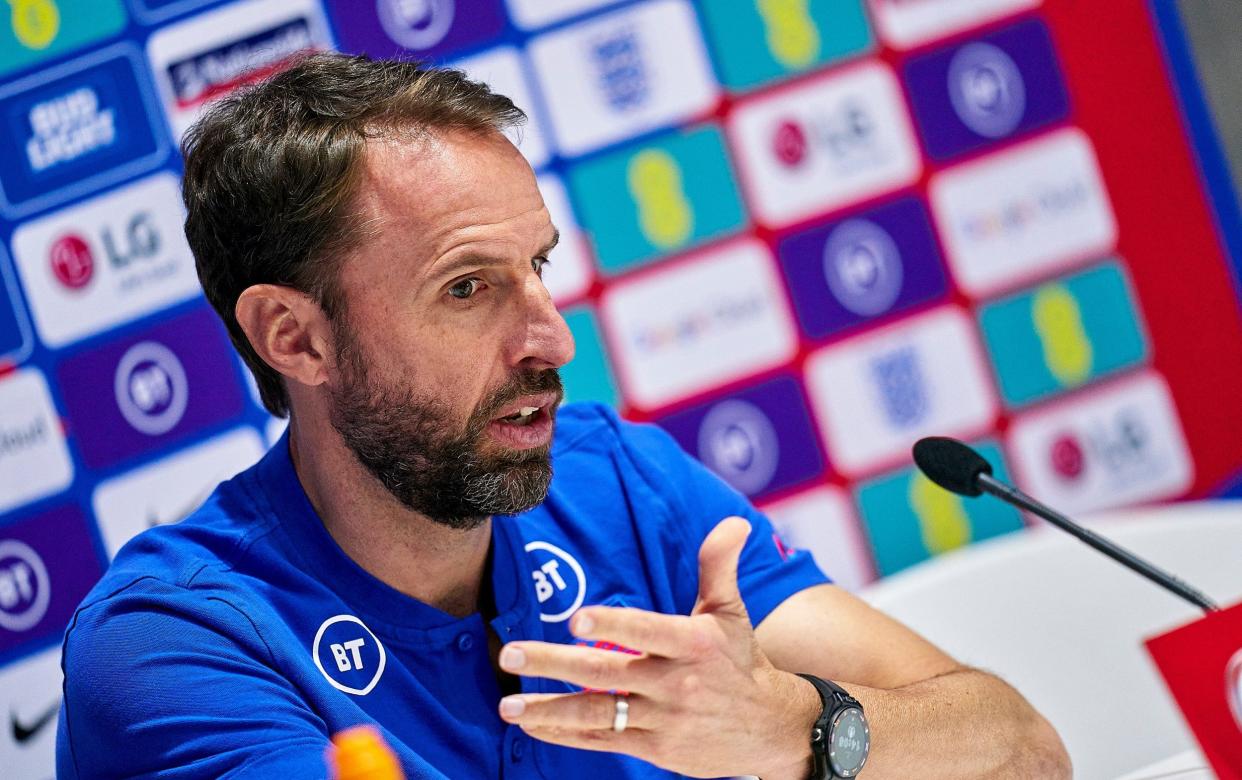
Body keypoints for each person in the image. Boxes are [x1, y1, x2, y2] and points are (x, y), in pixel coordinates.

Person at [56, 53, 1070, 779]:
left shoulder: (615, 483)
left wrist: (798, 729)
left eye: (535, 268)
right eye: (466, 290)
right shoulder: (176, 641)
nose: (550, 340)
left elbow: (1018, 747)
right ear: (296, 338)